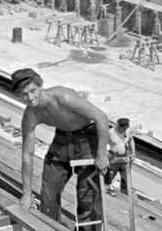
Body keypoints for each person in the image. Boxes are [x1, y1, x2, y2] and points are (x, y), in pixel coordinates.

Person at [13, 68, 109, 230]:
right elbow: (27, 155)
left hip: (87, 138)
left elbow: (101, 117)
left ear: (40, 86)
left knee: (87, 198)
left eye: (33, 91)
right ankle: (50, 227)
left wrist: (101, 154)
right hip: (62, 139)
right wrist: (27, 194)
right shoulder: (31, 115)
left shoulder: (64, 97)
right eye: (24, 94)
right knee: (48, 193)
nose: (30, 98)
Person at [104, 118, 134, 196]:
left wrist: (133, 153)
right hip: (114, 157)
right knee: (110, 175)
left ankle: (125, 193)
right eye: (123, 128)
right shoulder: (111, 132)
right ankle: (107, 188)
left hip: (125, 157)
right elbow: (104, 142)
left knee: (126, 177)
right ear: (119, 126)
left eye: (126, 128)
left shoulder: (128, 131)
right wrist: (106, 152)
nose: (124, 130)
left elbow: (131, 140)